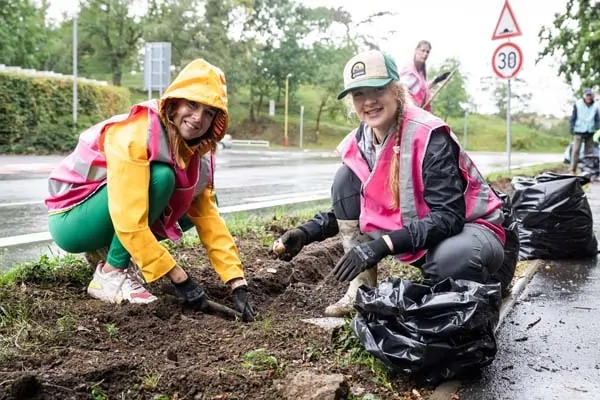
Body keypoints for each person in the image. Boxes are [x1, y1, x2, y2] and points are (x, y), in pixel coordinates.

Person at [269, 50, 505, 317]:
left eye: (377, 90)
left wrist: (381, 246)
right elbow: (358, 206)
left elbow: (449, 217)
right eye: (359, 94)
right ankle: (360, 289)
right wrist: (305, 233)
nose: (368, 101)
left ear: (395, 90)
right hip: (427, 239)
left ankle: (476, 290)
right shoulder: (359, 144)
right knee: (344, 179)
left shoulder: (428, 136)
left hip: (475, 233)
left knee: (452, 259)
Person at [45, 58, 255, 322]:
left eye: (209, 112)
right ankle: (110, 274)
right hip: (71, 219)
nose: (198, 118)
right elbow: (128, 215)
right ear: (175, 101)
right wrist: (181, 279)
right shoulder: (137, 133)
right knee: (162, 179)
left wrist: (237, 281)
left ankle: (109, 252)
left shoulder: (199, 154)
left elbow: (209, 219)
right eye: (192, 104)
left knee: (194, 204)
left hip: (106, 214)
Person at [399, 40, 451, 112]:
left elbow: (422, 89)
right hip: (409, 112)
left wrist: (437, 80)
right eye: (423, 51)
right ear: (416, 51)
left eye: (427, 52)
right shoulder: (410, 71)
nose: (425, 54)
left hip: (418, 111)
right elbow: (401, 90)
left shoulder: (420, 72)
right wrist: (413, 108)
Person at [569, 88, 599, 173]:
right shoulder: (578, 104)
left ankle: (586, 170)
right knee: (576, 150)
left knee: (589, 152)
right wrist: (571, 127)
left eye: (590, 95)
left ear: (592, 96)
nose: (589, 97)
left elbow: (597, 119)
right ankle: (573, 169)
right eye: (587, 95)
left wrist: (597, 128)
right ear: (584, 96)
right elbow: (573, 117)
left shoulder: (595, 106)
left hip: (590, 131)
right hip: (579, 130)